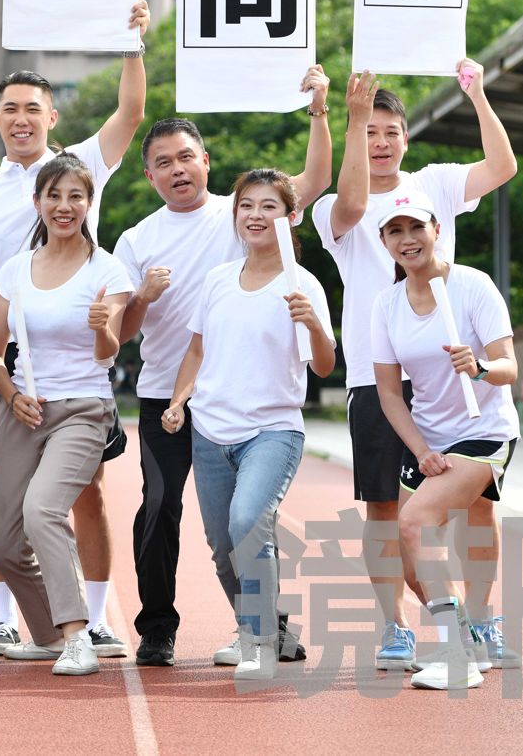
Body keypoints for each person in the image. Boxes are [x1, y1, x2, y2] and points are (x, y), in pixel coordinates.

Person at [115, 67, 334, 667]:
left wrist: (318, 109)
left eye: (186, 157)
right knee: (161, 509)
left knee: (246, 519)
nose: (177, 169)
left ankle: (266, 627)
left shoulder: (242, 214)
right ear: (149, 174)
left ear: (206, 161)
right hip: (168, 394)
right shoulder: (136, 240)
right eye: (163, 161)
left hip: (241, 400)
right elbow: (121, 332)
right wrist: (142, 297)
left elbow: (312, 180)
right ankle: (157, 628)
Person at [310, 61, 516, 671]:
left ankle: (482, 621)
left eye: (388, 131)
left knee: (479, 508)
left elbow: (502, 167)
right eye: (368, 131)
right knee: (385, 508)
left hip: (449, 370)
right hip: (378, 377)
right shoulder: (331, 210)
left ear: (406, 137)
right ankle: (396, 627)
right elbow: (351, 205)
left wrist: (477, 95)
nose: (378, 142)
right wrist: (344, 117)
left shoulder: (435, 185)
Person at [0, 0, 149, 658]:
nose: (20, 118)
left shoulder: (80, 167)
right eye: (9, 108)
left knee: (74, 497)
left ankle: (87, 622)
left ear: (52, 118)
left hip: (79, 377)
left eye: (32, 108)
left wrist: (132, 40)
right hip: (13, 370)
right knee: (3, 517)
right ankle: (15, 621)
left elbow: (130, 114)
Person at [161, 169, 336, 682]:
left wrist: (314, 325)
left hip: (273, 430)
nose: (256, 215)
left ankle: (258, 642)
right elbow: (197, 348)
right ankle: (259, 626)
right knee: (223, 550)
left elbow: (324, 365)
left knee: (247, 524)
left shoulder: (303, 285)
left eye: (269, 207)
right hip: (210, 430)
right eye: (246, 206)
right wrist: (178, 401)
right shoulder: (218, 279)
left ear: (290, 217)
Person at [0, 155, 132, 677]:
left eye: (75, 196)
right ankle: (47, 634)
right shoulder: (14, 270)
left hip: (84, 408)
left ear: (89, 204)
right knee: (1, 540)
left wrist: (101, 326)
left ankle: (77, 635)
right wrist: (9, 392)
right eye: (54, 196)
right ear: (38, 202)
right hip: (24, 407)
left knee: (43, 508)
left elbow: (107, 353)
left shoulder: (107, 270)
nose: (64, 206)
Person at [370, 190, 522, 690]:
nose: (407, 239)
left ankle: (457, 649)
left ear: (436, 229)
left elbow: (509, 368)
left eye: (416, 227)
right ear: (385, 241)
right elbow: (391, 394)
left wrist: (479, 368)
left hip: (484, 432)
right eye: (395, 231)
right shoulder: (386, 305)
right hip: (429, 437)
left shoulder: (474, 287)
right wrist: (420, 450)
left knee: (415, 521)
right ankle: (474, 628)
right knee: (412, 554)